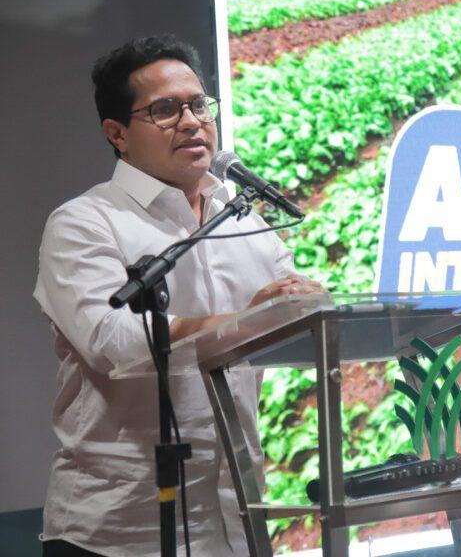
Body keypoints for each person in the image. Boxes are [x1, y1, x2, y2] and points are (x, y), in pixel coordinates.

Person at [34, 35, 322, 556]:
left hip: (236, 525)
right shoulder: (85, 222)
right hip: (118, 532)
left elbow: (294, 327)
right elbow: (113, 342)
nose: (191, 121)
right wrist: (245, 320)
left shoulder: (247, 222)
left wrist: (310, 306)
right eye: (165, 110)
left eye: (198, 105)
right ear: (117, 134)